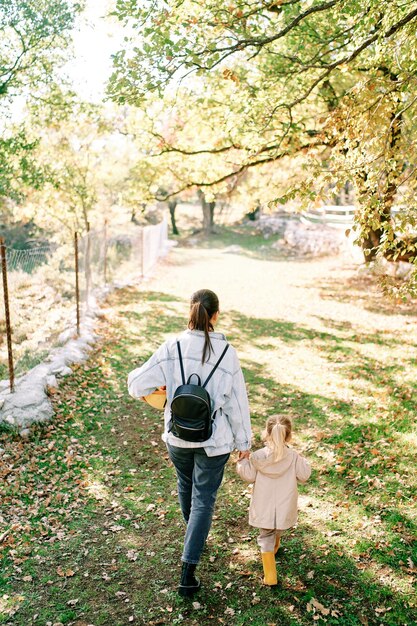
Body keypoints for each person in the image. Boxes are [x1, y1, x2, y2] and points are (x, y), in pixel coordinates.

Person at [127, 288, 251, 597]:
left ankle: (192, 538)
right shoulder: (227, 353)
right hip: (215, 441)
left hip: (177, 436)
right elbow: (237, 403)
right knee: (204, 498)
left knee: (186, 485)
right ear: (215, 316)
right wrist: (244, 442)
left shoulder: (172, 347)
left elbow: (135, 384)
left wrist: (163, 387)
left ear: (190, 312)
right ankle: (188, 568)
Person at [236, 414, 311, 586]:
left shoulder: (258, 457)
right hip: (284, 505)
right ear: (288, 435)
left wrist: (242, 461)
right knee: (278, 526)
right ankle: (275, 545)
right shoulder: (292, 457)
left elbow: (248, 475)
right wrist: (302, 458)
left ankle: (270, 575)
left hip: (264, 505)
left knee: (266, 535)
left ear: (267, 433)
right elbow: (304, 474)